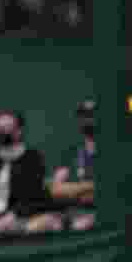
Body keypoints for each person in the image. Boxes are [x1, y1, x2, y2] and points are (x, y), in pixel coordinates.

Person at [0, 110, 62, 235]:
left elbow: (33, 195)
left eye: (7, 127)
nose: (2, 131)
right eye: (0, 127)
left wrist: (11, 217)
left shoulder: (33, 158)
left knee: (47, 223)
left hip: (21, 218)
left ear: (19, 131)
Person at [50, 99, 97, 232]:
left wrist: (73, 190)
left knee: (79, 225)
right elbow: (56, 190)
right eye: (83, 116)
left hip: (99, 214)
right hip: (69, 213)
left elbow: (107, 193)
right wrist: (88, 187)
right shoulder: (71, 152)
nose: (87, 119)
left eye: (91, 115)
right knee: (42, 224)